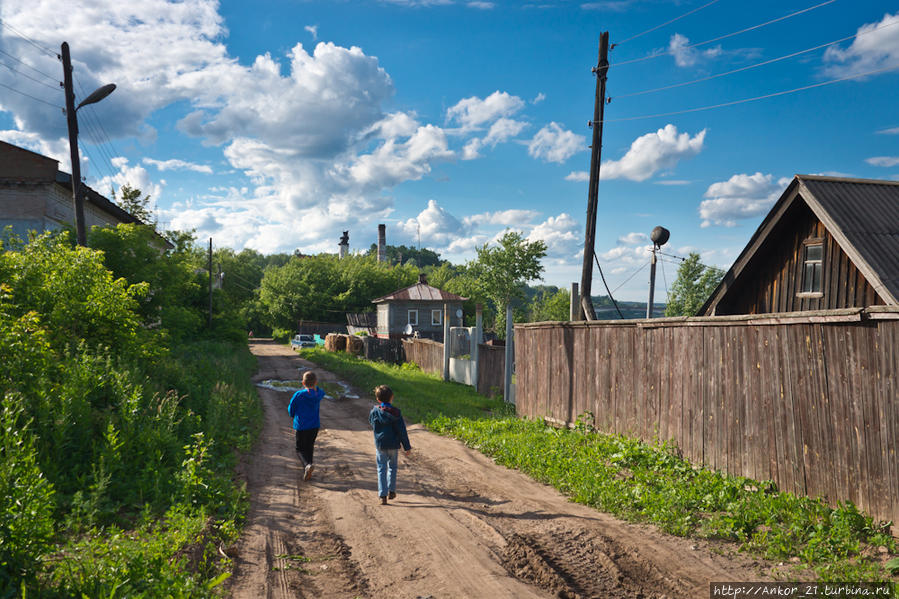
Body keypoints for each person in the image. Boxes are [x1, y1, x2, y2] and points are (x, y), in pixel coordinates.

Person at [369, 385, 411, 505]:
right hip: (393, 445)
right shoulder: (396, 413)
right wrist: (407, 447)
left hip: (380, 445)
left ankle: (383, 494)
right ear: (392, 398)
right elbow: (402, 431)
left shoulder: (374, 412)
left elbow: (371, 423)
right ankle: (391, 490)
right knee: (392, 467)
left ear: (378, 399)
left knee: (381, 468)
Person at [288, 371, 326, 481]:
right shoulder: (319, 394)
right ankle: (309, 466)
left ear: (303, 382)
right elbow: (320, 391)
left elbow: (291, 409)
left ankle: (307, 465)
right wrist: (314, 386)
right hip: (314, 426)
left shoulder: (299, 395)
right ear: (316, 382)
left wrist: (292, 415)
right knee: (310, 447)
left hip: (301, 426)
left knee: (299, 449)